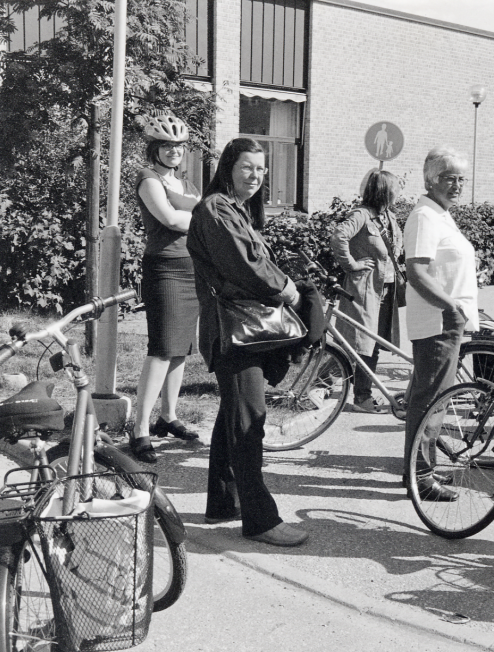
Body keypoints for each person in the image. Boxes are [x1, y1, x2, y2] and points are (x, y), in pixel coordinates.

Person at [187, 138, 308, 547]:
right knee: (248, 425)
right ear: (227, 168)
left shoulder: (234, 209)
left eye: (261, 169)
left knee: (232, 418)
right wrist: (289, 290)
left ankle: (222, 503)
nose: (255, 177)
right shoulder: (216, 209)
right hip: (234, 333)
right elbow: (247, 265)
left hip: (240, 331)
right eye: (247, 168)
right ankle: (260, 521)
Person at [404, 146, 479, 501]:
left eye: (461, 179)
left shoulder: (441, 214)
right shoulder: (425, 216)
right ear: (431, 179)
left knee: (432, 400)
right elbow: (416, 270)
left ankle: (422, 471)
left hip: (447, 321)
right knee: (429, 401)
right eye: (450, 178)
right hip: (437, 322)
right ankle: (420, 478)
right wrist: (449, 306)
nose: (457, 185)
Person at [130, 115, 202, 464]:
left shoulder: (187, 185)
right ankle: (139, 429)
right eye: (167, 146)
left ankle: (168, 417)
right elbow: (170, 220)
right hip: (165, 268)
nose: (174, 151)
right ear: (154, 149)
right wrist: (203, 218)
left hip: (193, 271)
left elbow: (198, 222)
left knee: (180, 350)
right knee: (161, 349)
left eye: (179, 146)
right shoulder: (148, 178)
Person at [331, 169, 403, 413]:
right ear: (385, 190)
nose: (400, 191)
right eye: (396, 187)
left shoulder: (388, 217)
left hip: (385, 291)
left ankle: (360, 395)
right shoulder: (361, 215)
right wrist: (352, 265)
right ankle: (341, 392)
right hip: (365, 290)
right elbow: (339, 236)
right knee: (359, 344)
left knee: (371, 345)